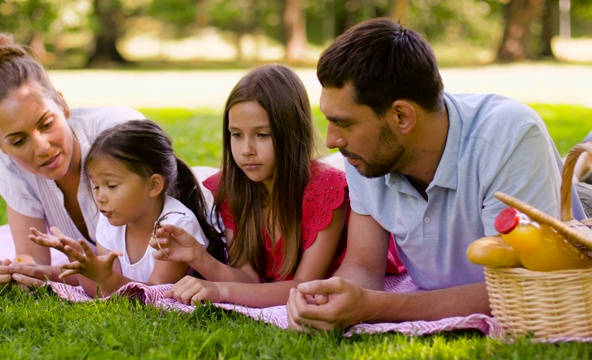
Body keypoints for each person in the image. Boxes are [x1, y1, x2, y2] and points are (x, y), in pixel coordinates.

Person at [286, 17, 579, 330]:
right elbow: (362, 264)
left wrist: (375, 306)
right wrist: (328, 299)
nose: (332, 141)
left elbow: (516, 287)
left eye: (344, 123)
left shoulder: (510, 137)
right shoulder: (365, 155)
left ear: (401, 116)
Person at [149, 64, 366, 308]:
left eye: (262, 135)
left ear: (291, 134)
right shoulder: (233, 186)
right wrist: (197, 257)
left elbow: (304, 286)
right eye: (236, 135)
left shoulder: (326, 189)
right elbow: (248, 279)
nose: (246, 151)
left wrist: (220, 291)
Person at [0, 28, 145, 289]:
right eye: (18, 141)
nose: (42, 148)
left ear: (62, 104)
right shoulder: (7, 163)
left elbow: (145, 264)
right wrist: (14, 270)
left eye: (46, 124)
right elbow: (32, 257)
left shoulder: (120, 132)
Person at [29, 120, 227, 297]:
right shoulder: (109, 224)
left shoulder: (177, 227)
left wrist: (105, 278)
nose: (100, 197)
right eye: (96, 186)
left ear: (153, 185)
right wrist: (74, 265)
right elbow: (105, 293)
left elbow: (155, 296)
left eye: (111, 186)